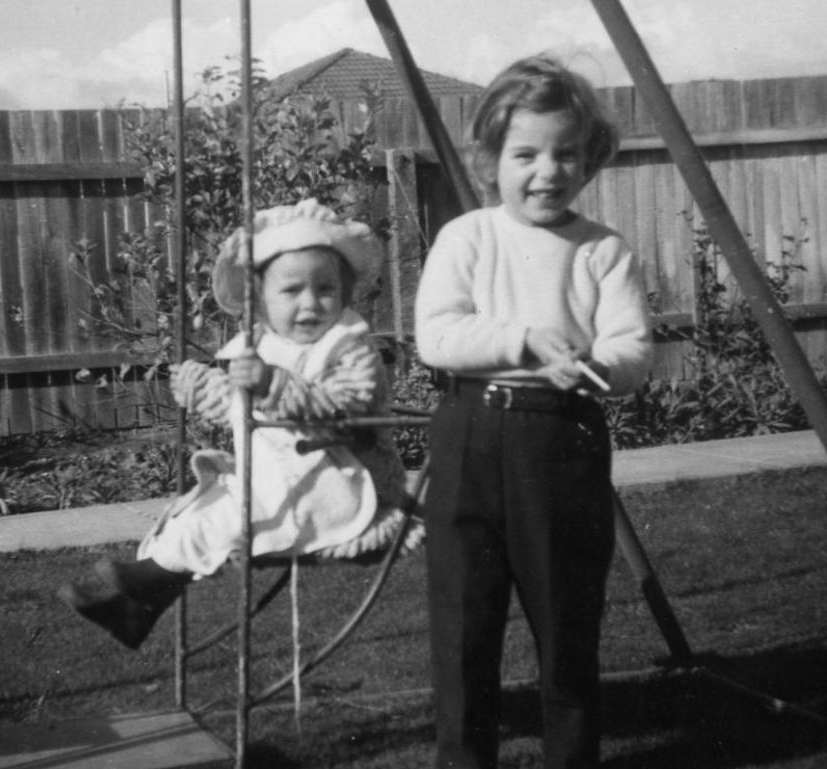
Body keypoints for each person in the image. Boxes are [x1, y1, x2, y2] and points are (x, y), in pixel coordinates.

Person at [414, 55, 653, 769]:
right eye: (526, 154)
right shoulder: (468, 238)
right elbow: (438, 336)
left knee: (567, 629)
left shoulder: (602, 251)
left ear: (591, 160)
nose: (546, 171)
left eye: (566, 154)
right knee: (463, 632)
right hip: (468, 437)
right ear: (491, 161)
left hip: (562, 441)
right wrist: (519, 338)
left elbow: (633, 350)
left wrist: (593, 364)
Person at [59, 198, 413, 650]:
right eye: (291, 291)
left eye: (325, 288)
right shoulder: (264, 344)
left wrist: (272, 383)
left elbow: (346, 406)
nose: (310, 304)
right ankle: (138, 605)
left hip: (341, 475)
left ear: (344, 292)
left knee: (232, 518)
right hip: (277, 471)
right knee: (198, 511)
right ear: (261, 301)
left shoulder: (347, 347)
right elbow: (238, 406)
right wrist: (205, 388)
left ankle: (145, 582)